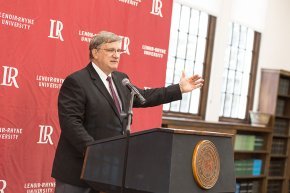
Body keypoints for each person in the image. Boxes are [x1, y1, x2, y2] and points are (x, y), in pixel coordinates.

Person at [51, 31, 204, 193]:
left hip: (107, 172)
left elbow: (144, 97)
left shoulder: (120, 79)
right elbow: (70, 123)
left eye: (119, 51)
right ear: (95, 52)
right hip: (78, 172)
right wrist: (94, 151)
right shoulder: (77, 81)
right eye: (111, 50)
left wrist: (179, 88)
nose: (116, 55)